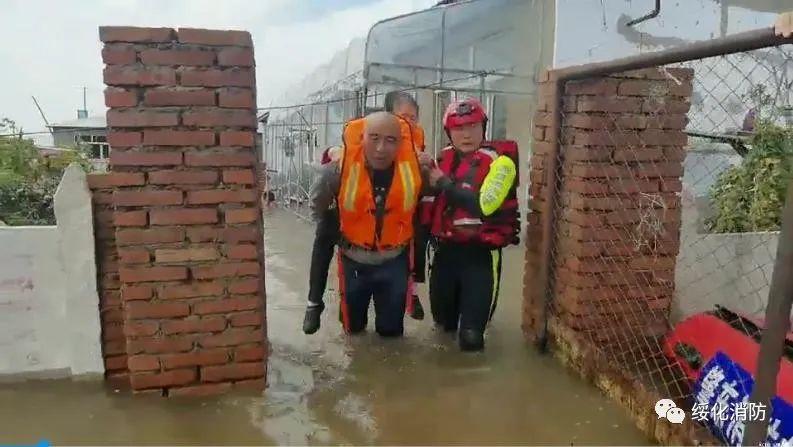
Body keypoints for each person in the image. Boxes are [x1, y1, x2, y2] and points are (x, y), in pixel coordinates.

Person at [307, 111, 431, 336]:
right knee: (353, 332)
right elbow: (316, 209)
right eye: (374, 138)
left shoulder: (417, 170)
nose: (381, 148)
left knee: (392, 334)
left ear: (401, 143)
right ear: (362, 138)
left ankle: (413, 296)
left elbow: (433, 204)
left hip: (394, 262)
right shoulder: (335, 171)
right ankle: (314, 303)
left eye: (390, 140)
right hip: (354, 261)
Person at [424, 98, 520, 352]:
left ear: (484, 128)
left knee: (471, 339)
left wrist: (444, 183)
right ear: (449, 133)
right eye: (458, 129)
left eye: (473, 127)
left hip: (480, 256)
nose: (466, 135)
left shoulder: (500, 163)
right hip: (444, 253)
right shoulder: (440, 160)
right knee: (442, 331)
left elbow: (484, 206)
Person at [384, 91, 427, 321]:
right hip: (386, 206)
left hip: (411, 204)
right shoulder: (379, 135)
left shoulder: (418, 136)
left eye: (413, 117)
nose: (408, 122)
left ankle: (413, 293)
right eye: (403, 116)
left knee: (417, 247)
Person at [303, 145, 343, 334]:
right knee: (321, 248)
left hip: (358, 219)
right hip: (331, 215)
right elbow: (317, 201)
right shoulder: (333, 165)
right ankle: (314, 302)